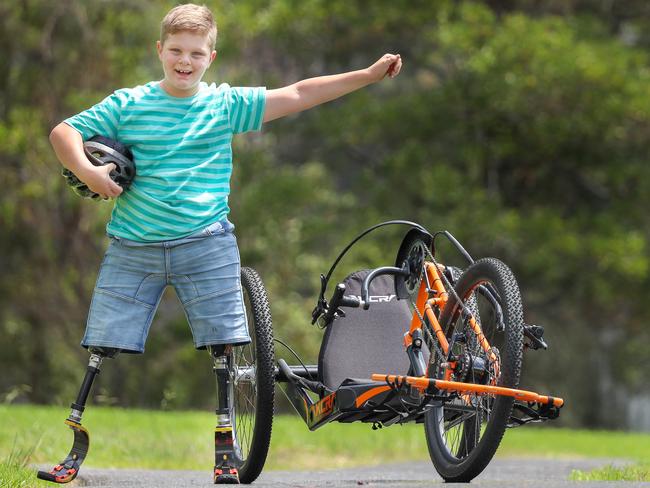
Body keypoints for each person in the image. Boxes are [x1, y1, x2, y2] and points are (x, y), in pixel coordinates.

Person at [44, 3, 401, 484]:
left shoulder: (223, 103)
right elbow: (63, 131)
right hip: (134, 245)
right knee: (101, 343)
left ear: (212, 56)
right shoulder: (128, 104)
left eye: (195, 52)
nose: (184, 61)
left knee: (225, 345)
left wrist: (367, 75)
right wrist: (87, 171)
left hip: (206, 242)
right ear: (160, 51)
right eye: (175, 50)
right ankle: (75, 436)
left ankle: (225, 442)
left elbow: (297, 93)